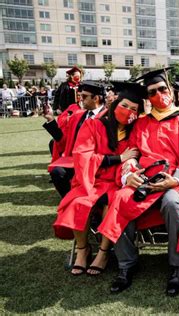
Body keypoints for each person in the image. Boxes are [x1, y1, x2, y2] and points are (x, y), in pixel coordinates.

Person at [98, 68, 179, 296]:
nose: (159, 94)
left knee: (173, 203)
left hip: (176, 180)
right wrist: (129, 174)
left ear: (170, 90)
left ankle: (178, 266)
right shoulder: (141, 123)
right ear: (147, 98)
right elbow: (133, 153)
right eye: (152, 92)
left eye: (162, 89)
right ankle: (126, 265)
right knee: (120, 198)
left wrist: (175, 180)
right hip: (146, 179)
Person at [53, 82, 145, 276]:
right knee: (79, 202)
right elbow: (83, 156)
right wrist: (118, 158)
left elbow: (135, 158)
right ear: (115, 104)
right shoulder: (94, 125)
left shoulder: (135, 132)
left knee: (112, 203)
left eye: (133, 109)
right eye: (124, 105)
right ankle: (82, 250)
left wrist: (127, 167)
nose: (127, 111)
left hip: (117, 183)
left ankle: (103, 252)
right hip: (92, 181)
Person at [45, 81, 107, 197]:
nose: (80, 99)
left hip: (98, 163)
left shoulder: (108, 117)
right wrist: (51, 121)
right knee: (57, 172)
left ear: (96, 98)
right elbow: (63, 141)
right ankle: (70, 200)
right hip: (76, 161)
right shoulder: (77, 116)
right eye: (80, 96)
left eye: (84, 96)